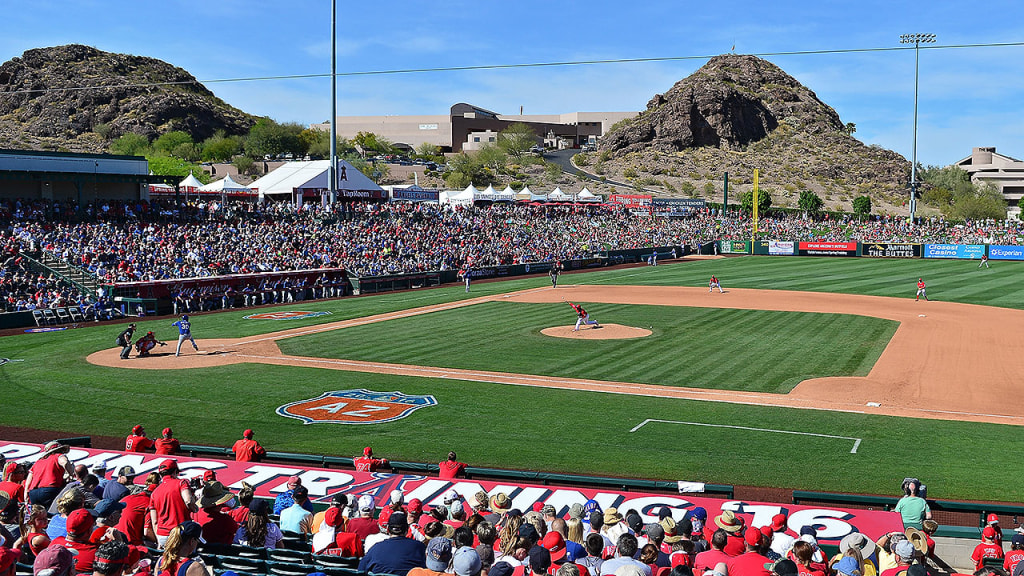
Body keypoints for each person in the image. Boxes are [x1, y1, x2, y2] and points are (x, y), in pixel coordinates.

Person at [149, 460, 198, 549]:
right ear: (175, 472)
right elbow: (188, 501)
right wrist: (194, 508)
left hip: (162, 536)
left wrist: (159, 541)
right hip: (180, 533)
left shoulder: (154, 493)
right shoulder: (181, 483)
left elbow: (154, 522)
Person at [357, 512, 426, 575]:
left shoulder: (376, 548)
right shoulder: (420, 547)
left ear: (388, 529)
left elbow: (361, 570)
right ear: (407, 529)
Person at [25, 442, 75, 510]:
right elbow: (65, 462)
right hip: (49, 490)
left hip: (33, 493)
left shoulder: (38, 462)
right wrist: (70, 474)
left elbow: (29, 480)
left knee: (37, 515)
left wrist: (26, 493)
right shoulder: (58, 456)